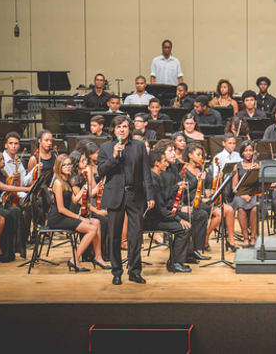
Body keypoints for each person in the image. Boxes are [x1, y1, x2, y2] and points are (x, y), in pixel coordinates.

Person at [97, 115, 154, 285]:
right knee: (114, 235)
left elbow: (146, 173)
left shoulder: (139, 146)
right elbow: (101, 171)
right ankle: (116, 272)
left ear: (129, 128)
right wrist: (114, 156)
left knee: (135, 236)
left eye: (124, 126)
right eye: (118, 127)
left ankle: (134, 271)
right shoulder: (106, 147)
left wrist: (150, 195)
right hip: (114, 195)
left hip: (135, 195)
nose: (121, 129)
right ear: (113, 130)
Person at [50, 154, 109, 272]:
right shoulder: (58, 183)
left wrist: (83, 189)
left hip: (64, 215)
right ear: (59, 167)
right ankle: (75, 260)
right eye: (64, 165)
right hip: (58, 218)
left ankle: (98, 257)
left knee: (96, 222)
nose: (68, 167)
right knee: (91, 229)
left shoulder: (67, 181)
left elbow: (75, 200)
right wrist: (80, 218)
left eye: (69, 164)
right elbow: (61, 209)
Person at [156, 140, 210, 263]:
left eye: (174, 151)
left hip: (173, 207)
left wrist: (181, 205)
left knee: (201, 214)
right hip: (165, 210)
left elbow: (176, 194)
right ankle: (181, 257)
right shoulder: (160, 171)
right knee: (193, 216)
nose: (174, 154)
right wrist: (181, 208)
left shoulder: (173, 169)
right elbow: (163, 197)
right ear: (161, 154)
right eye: (170, 151)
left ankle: (192, 251)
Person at [145, 147, 192, 273]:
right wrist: (178, 219)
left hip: (157, 216)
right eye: (164, 161)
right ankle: (175, 263)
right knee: (183, 228)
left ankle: (178, 259)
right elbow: (161, 210)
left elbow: (163, 201)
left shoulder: (156, 177)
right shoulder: (152, 181)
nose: (167, 163)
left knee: (185, 222)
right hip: (151, 220)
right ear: (157, 163)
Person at [232, 141, 260, 248]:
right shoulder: (237, 166)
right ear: (242, 152)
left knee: (254, 209)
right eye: (246, 150)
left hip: (253, 194)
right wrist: (243, 195)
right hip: (240, 194)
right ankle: (245, 237)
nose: (248, 153)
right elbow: (234, 187)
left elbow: (259, 185)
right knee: (241, 209)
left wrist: (256, 170)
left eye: (250, 150)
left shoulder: (256, 165)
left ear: (253, 152)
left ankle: (253, 237)